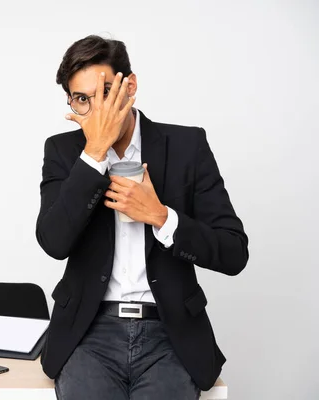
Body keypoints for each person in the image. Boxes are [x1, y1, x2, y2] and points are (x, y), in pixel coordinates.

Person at [35, 35, 249, 400]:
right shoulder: (63, 150)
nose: (96, 110)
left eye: (105, 93)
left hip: (169, 333)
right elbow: (53, 242)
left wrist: (162, 217)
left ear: (129, 86)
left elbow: (233, 252)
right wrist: (94, 153)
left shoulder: (187, 146)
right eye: (82, 99)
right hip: (90, 331)